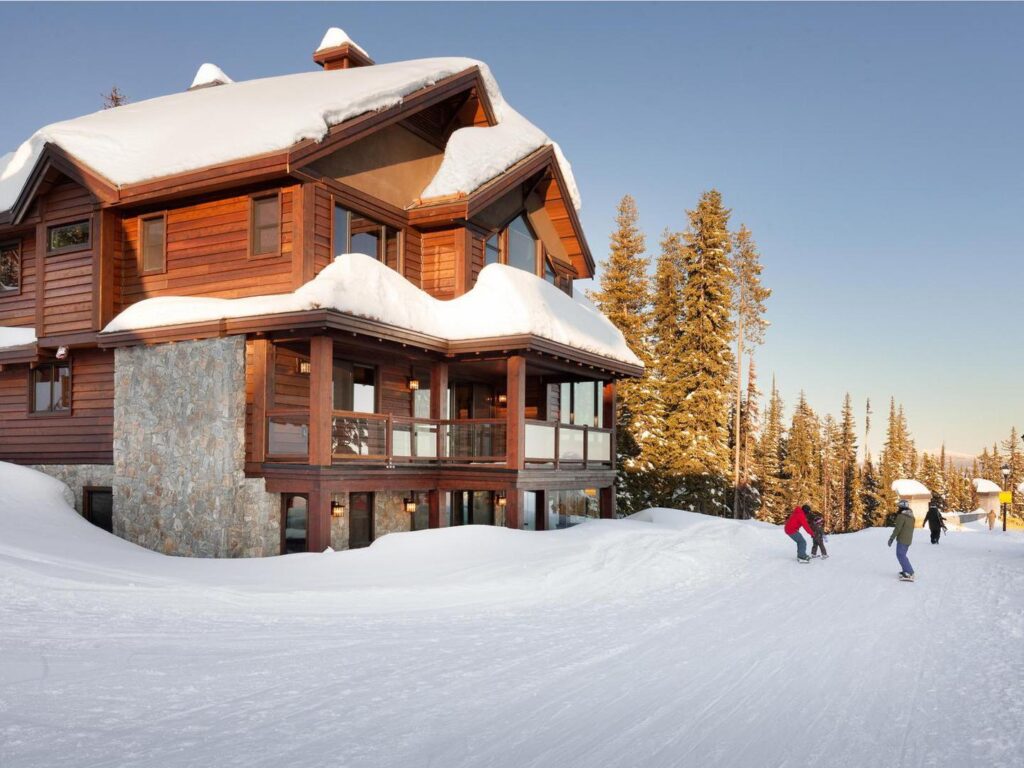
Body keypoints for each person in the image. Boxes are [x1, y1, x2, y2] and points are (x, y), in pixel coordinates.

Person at [888, 499, 916, 581]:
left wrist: (891, 538)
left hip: (902, 539)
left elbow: (898, 529)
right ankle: (905, 570)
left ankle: (909, 572)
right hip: (908, 539)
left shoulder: (901, 516)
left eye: (899, 507)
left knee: (901, 555)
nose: (898, 508)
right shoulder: (911, 516)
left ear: (901, 507)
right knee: (902, 555)